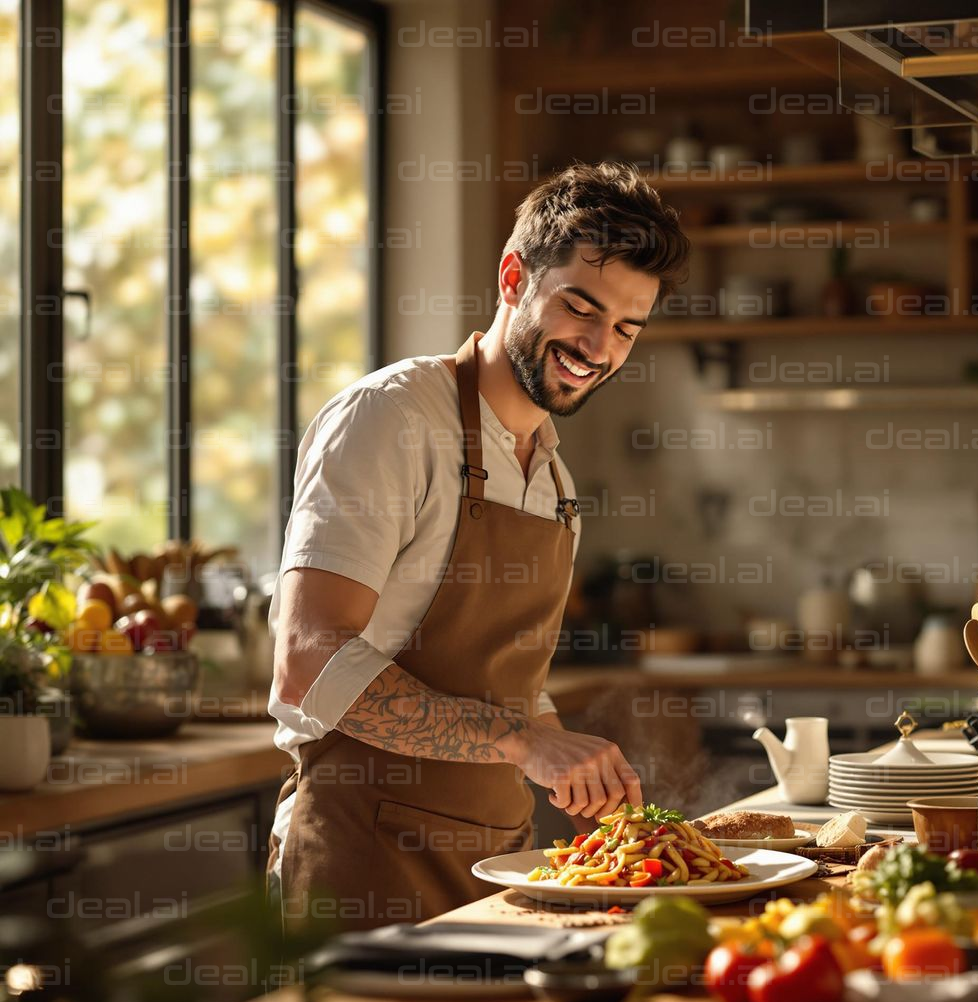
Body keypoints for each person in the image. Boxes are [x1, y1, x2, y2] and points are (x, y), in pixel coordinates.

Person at [267, 161, 691, 931]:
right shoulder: (390, 419)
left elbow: (505, 692)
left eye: (626, 329)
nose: (598, 346)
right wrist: (525, 741)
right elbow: (309, 660)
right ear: (511, 278)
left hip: (497, 863)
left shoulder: (555, 480)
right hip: (361, 857)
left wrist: (580, 767)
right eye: (580, 308)